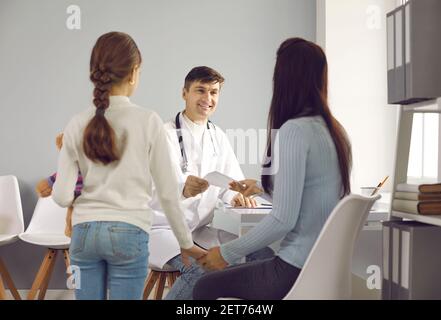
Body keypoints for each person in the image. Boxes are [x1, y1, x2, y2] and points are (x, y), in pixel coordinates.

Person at [193, 38, 353, 300]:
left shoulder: (294, 131)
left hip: (294, 269)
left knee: (205, 287)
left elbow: (283, 219)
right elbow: (310, 200)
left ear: (284, 78)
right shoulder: (335, 131)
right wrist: (262, 189)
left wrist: (225, 254)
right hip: (323, 267)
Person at [52, 31, 204, 300]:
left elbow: (62, 196)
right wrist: (185, 243)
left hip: (83, 235)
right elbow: (169, 194)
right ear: (134, 73)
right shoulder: (149, 121)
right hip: (128, 233)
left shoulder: (76, 123)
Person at [149, 66, 274, 300]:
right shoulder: (163, 136)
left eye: (214, 92)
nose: (208, 99)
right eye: (200, 90)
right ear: (184, 93)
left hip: (200, 230)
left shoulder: (218, 136)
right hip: (162, 230)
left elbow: (230, 183)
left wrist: (235, 195)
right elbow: (150, 191)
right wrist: (183, 189)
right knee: (200, 271)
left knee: (262, 255)